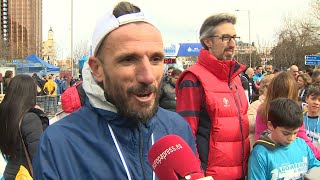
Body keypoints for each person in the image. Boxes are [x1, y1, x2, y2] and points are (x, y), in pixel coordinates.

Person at [33, 1, 197, 179]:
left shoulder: (177, 128)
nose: (148, 76)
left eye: (156, 59)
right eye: (128, 59)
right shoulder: (58, 144)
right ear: (97, 69)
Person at [176, 13, 249, 179]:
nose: (232, 43)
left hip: (241, 173)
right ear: (207, 41)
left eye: (234, 37)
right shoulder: (193, 79)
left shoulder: (236, 78)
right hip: (210, 175)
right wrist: (196, 175)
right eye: (225, 37)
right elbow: (186, 134)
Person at [248, 98, 320, 179]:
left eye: (295, 133)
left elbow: (315, 167)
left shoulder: (302, 145)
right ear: (271, 125)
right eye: (286, 133)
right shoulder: (260, 154)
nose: (291, 138)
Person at [255, 71, 320, 159]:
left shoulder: (263, 109)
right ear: (292, 92)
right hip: (288, 160)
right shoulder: (292, 111)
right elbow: (303, 140)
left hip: (266, 158)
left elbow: (259, 138)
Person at [0, 75, 48, 180]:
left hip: (10, 171)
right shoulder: (30, 118)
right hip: (25, 174)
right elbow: (38, 155)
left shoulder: (4, 114)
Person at [247, 74, 274, 150]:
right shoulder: (256, 104)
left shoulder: (277, 104)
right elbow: (249, 124)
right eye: (269, 87)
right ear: (263, 88)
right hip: (257, 145)